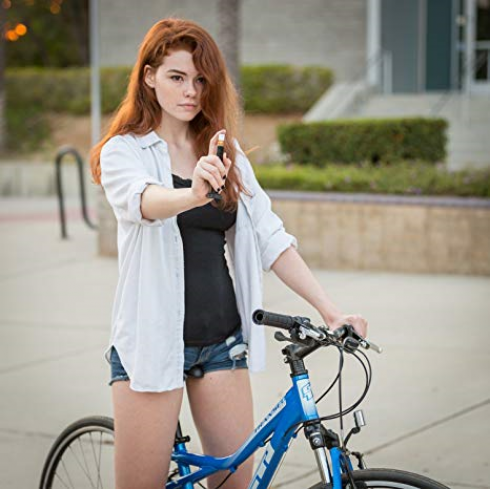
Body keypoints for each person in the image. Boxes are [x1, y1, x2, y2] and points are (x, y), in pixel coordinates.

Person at [90, 17, 368, 489]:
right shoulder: (125, 151)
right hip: (151, 343)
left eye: (201, 79)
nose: (191, 90)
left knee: (236, 485)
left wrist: (331, 311)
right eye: (177, 77)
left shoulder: (225, 153)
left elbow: (271, 237)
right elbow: (143, 202)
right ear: (149, 76)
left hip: (221, 343)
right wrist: (193, 193)